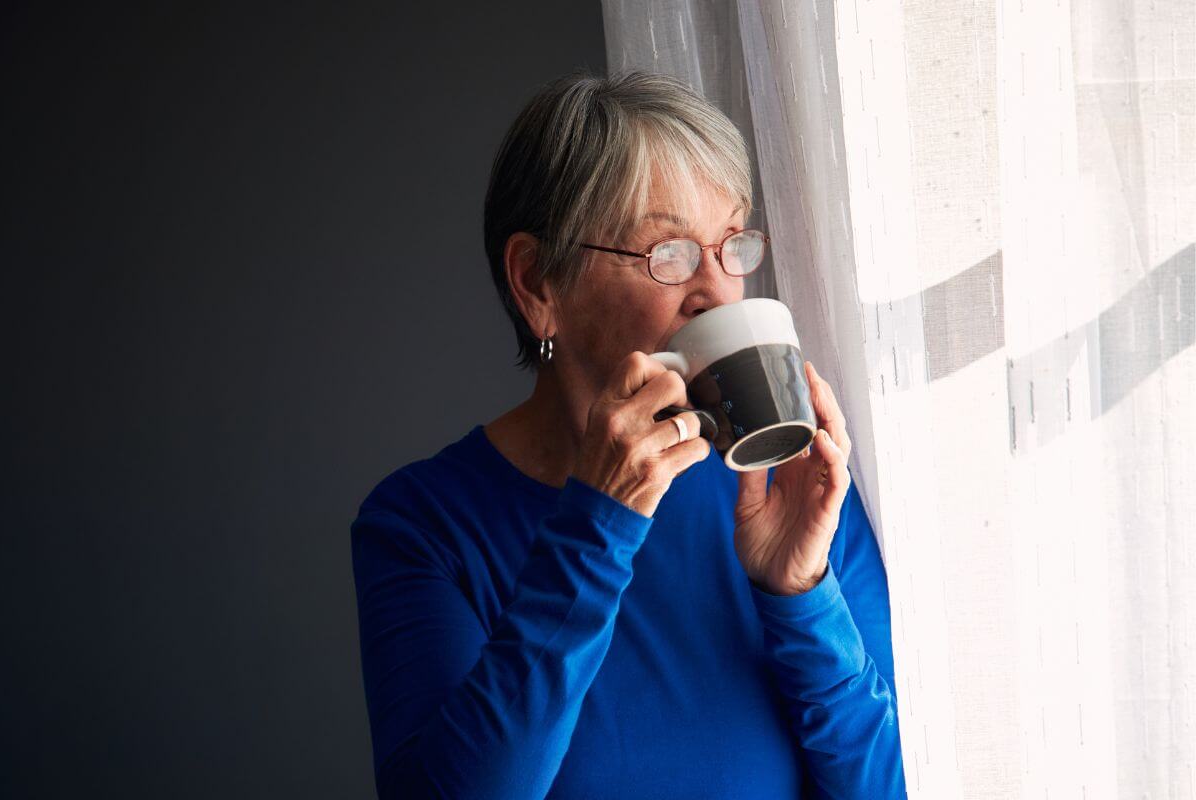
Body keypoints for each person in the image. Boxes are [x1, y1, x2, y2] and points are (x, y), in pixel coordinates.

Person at [350, 69, 906, 799]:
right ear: (538, 283)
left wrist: (799, 592)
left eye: (731, 244)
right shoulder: (423, 524)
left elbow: (890, 787)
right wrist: (598, 526)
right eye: (668, 254)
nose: (716, 289)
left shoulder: (791, 491)